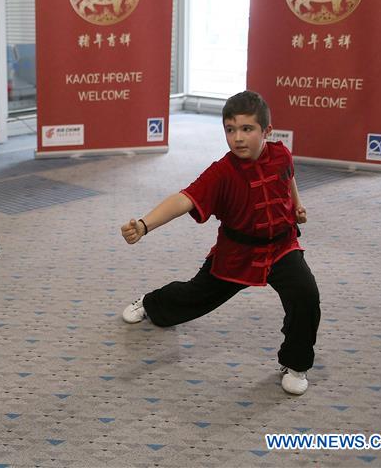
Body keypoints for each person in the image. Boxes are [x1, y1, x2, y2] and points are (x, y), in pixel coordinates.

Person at [119, 90, 320, 396]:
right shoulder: (222, 172)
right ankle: (151, 304)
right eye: (230, 130)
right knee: (195, 296)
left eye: (247, 129)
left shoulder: (281, 154)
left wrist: (297, 206)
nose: (237, 138)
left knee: (306, 296)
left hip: (282, 246)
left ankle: (295, 363)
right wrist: (145, 225)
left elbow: (288, 177)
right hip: (237, 253)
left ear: (266, 131)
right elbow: (184, 199)